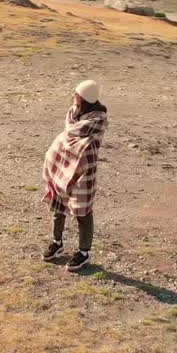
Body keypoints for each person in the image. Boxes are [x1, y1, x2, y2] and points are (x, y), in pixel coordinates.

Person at [41, 80, 107, 272]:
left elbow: (70, 135)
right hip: (63, 165)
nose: (74, 96)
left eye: (77, 94)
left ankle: (83, 252)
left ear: (85, 98)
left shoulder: (98, 119)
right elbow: (68, 136)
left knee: (83, 210)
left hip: (84, 169)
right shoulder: (73, 112)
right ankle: (57, 242)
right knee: (58, 204)